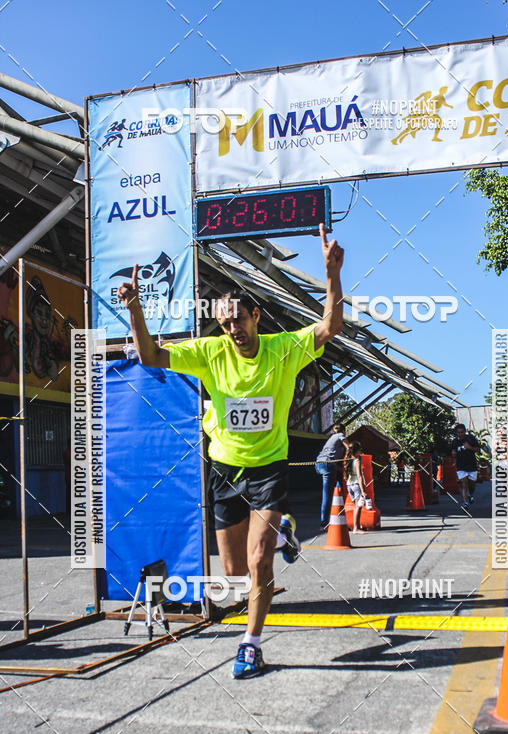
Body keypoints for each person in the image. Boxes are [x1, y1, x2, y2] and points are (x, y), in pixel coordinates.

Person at [117, 223, 344, 679]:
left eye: (238, 320)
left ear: (256, 315)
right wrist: (135, 308)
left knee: (260, 562)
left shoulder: (284, 348)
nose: (233, 330)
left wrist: (332, 273)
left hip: (268, 467)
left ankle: (252, 644)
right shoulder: (211, 351)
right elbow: (150, 357)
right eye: (225, 324)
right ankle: (283, 533)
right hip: (224, 468)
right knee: (237, 574)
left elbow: (329, 326)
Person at [315, 423, 347, 530]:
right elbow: (349, 447)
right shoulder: (340, 435)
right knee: (327, 495)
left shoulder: (331, 439)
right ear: (343, 431)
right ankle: (324, 523)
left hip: (319, 465)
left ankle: (339, 513)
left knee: (337, 484)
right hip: (328, 464)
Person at [451, 423, 479, 509]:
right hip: (461, 466)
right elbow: (453, 452)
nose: (460, 434)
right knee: (463, 483)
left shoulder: (471, 439)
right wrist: (453, 453)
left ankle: (470, 495)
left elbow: (478, 449)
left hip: (472, 465)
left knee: (472, 485)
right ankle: (465, 502)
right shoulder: (455, 441)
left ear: (465, 432)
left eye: (462, 432)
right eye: (458, 432)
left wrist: (470, 447)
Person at [344, 441, 367, 533]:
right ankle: (356, 528)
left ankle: (357, 525)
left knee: (356, 506)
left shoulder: (348, 459)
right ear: (357, 451)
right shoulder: (357, 460)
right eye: (360, 450)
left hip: (349, 484)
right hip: (356, 484)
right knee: (358, 506)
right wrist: (363, 490)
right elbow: (359, 475)